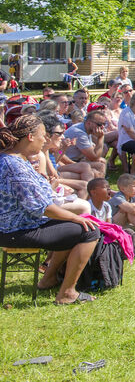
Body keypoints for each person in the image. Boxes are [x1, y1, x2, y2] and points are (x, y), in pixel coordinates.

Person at [0, 115, 102, 304]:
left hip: (20, 225)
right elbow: (43, 208)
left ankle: (49, 279)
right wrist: (76, 218)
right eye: (42, 135)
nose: (45, 140)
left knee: (73, 226)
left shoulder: (13, 159)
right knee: (90, 231)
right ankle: (67, 293)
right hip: (15, 230)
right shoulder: (14, 165)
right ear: (30, 137)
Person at [63, 109, 108, 178]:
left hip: (77, 159)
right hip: (67, 162)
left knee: (102, 161)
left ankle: (101, 185)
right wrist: (100, 138)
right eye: (99, 124)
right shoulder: (79, 133)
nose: (102, 127)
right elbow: (94, 158)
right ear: (89, 123)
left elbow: (93, 154)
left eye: (104, 124)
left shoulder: (85, 128)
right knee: (99, 167)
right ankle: (99, 185)